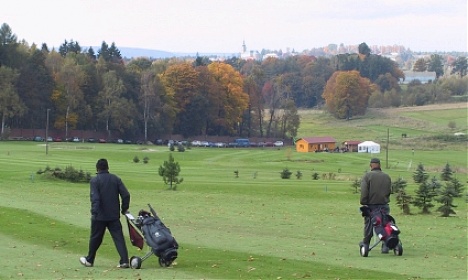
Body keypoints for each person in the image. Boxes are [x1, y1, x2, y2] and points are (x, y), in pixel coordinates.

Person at [80, 158, 131, 268]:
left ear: (97, 168)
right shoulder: (115, 179)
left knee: (95, 238)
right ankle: (125, 261)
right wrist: (124, 208)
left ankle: (89, 260)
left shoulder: (95, 180)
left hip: (100, 216)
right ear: (108, 167)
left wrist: (94, 212)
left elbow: (95, 198)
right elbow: (126, 195)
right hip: (113, 215)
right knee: (119, 238)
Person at [359, 158, 392, 253]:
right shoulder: (387, 176)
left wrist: (363, 202)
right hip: (384, 205)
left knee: (369, 225)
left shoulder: (367, 176)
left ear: (371, 165)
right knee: (385, 224)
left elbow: (364, 192)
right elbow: (389, 191)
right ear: (379, 165)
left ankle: (366, 243)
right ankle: (385, 245)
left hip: (371, 206)